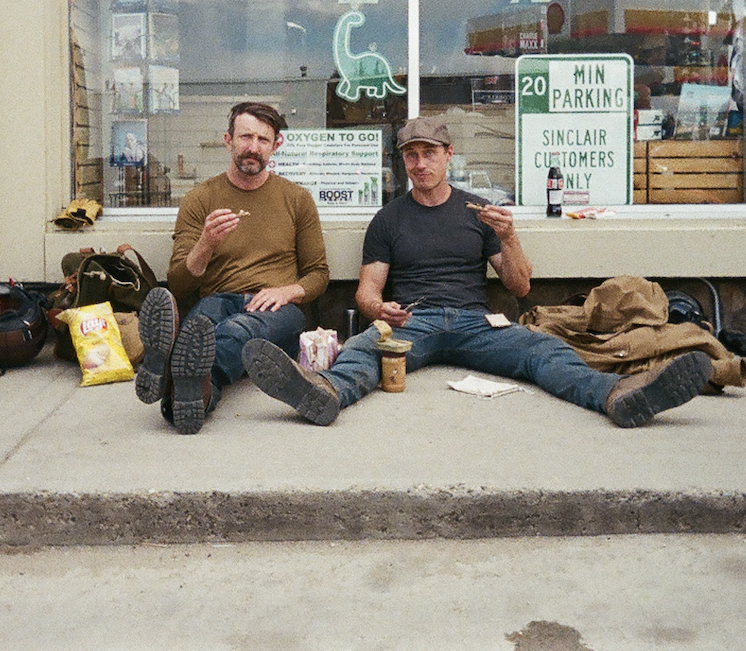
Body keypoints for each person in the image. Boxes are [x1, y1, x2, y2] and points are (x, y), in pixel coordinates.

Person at [241, 116, 712, 428]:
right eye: (411, 155)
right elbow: (367, 291)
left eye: (429, 153)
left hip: (476, 322)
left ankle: (618, 396)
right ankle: (323, 394)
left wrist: (509, 237)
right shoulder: (388, 219)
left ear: (448, 154)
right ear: (403, 160)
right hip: (414, 322)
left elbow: (520, 287)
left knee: (544, 351)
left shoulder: (479, 210)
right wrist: (378, 308)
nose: (420, 163)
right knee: (365, 348)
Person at [135, 101, 329, 434]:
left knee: (236, 331)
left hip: (279, 310)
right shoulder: (201, 199)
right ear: (228, 140)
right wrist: (205, 243)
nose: (253, 148)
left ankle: (169, 368)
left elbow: (318, 274)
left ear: (276, 145)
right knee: (202, 326)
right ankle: (188, 399)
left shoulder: (296, 199)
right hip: (217, 299)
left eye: (263, 140)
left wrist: (286, 291)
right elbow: (178, 284)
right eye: (245, 137)